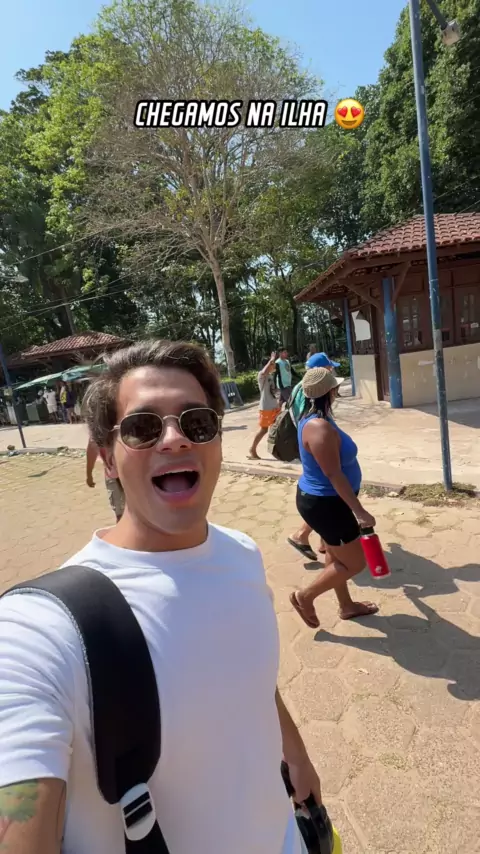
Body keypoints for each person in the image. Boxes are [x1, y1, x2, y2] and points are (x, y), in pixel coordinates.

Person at [0, 339, 321, 854]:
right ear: (107, 459)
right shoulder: (43, 630)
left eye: (197, 422)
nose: (174, 439)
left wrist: (297, 755)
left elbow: (249, 674)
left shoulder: (242, 553)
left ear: (217, 442)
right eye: (143, 427)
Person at [289, 366, 378, 629]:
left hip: (325, 502)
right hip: (327, 505)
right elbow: (334, 474)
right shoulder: (319, 428)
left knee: (336, 556)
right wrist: (360, 512)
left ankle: (346, 606)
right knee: (355, 563)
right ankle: (305, 597)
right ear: (330, 391)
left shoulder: (316, 417)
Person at [287, 352, 340, 562]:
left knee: (325, 498)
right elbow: (311, 422)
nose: (331, 371)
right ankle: (301, 535)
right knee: (324, 497)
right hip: (314, 449)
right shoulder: (309, 391)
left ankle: (324, 542)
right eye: (329, 368)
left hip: (310, 447)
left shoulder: (300, 388)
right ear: (320, 370)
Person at [248, 351, 281, 460]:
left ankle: (279, 450)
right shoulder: (261, 375)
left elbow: (273, 391)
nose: (274, 365)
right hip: (266, 407)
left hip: (273, 406)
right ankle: (252, 449)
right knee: (264, 429)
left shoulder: (270, 376)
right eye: (272, 364)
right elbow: (264, 371)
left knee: (278, 427)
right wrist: (271, 360)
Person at [86, 437, 125, 521]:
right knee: (120, 514)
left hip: (130, 474)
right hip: (114, 475)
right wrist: (89, 474)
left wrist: (89, 474)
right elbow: (92, 450)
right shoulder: (97, 432)